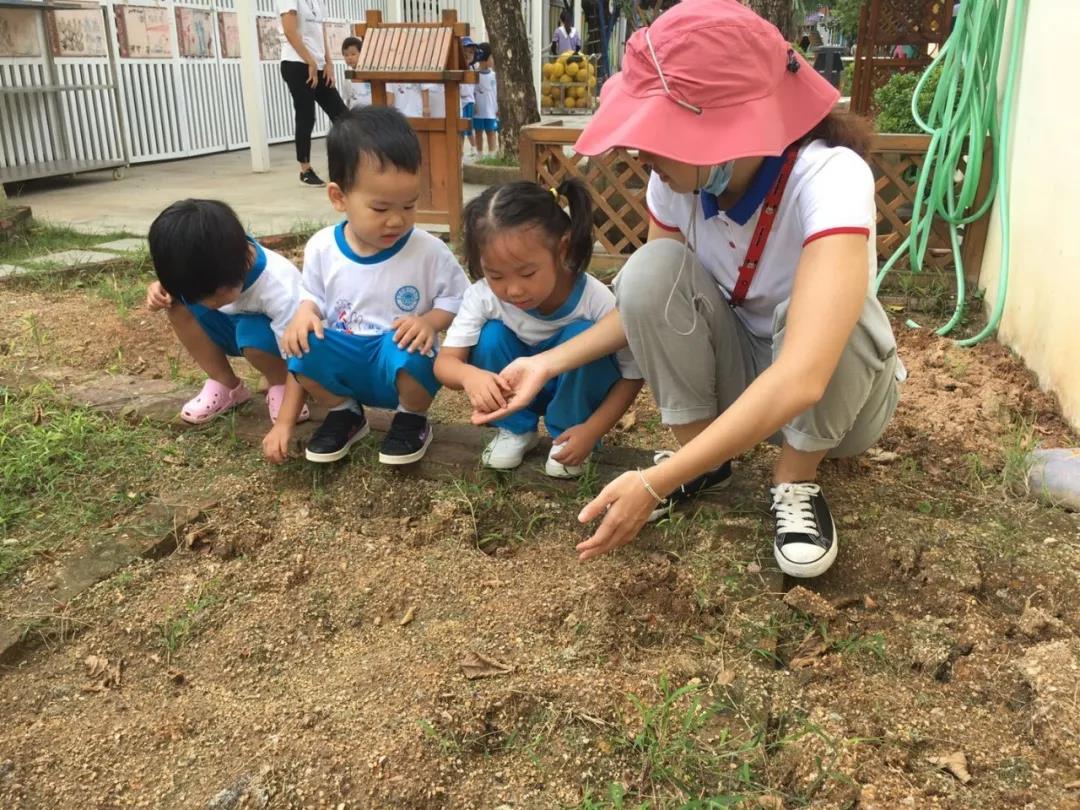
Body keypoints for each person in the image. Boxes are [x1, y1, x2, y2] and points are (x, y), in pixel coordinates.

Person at [474, 0, 902, 579]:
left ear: (727, 125)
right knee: (651, 269)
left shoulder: (830, 177)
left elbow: (804, 373)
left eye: (657, 132)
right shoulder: (675, 186)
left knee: (832, 311)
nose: (639, 152)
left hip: (837, 403)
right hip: (744, 372)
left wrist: (652, 482)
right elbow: (647, 305)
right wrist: (546, 364)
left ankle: (795, 480)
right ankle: (702, 459)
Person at [277, 107, 470, 466]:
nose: (397, 220)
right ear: (339, 198)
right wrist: (305, 313)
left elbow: (459, 297)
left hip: (395, 358)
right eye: (380, 208)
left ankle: (412, 419)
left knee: (415, 349)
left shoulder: (428, 250)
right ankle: (344, 412)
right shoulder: (323, 246)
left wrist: (429, 322)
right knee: (301, 347)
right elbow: (313, 295)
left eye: (409, 205)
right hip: (347, 355)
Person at [435, 180, 643, 477]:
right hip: (516, 389)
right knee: (491, 336)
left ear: (562, 249)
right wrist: (470, 377)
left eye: (527, 273)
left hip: (574, 391)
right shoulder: (483, 296)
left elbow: (632, 376)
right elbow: (445, 363)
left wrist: (592, 430)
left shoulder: (596, 301)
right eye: (495, 275)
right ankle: (515, 429)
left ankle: (568, 434)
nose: (514, 289)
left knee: (584, 334)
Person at [145, 199, 312, 435]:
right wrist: (162, 289)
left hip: (280, 344)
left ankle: (280, 383)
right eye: (197, 295)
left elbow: (301, 353)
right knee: (177, 303)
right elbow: (188, 285)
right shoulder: (208, 271)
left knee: (249, 333)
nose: (207, 304)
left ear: (241, 262)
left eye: (214, 295)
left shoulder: (278, 286)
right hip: (233, 330)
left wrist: (289, 411)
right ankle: (226, 384)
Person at [277, 0, 347, 187]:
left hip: (318, 64)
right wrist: (310, 62)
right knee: (306, 116)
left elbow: (320, 33)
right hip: (296, 63)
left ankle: (348, 164)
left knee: (342, 116)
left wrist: (328, 62)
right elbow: (290, 31)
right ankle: (305, 170)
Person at [472, 44, 498, 156]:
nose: (493, 60)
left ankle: (492, 154)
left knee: (491, 132)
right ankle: (479, 154)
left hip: (491, 110)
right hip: (478, 110)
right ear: (484, 58)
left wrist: (498, 107)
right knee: (478, 132)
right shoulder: (474, 75)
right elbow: (472, 91)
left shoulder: (494, 76)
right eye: (491, 57)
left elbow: (496, 93)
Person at [340, 36, 372, 110]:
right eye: (346, 55)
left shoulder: (371, 74)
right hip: (355, 116)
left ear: (362, 53)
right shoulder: (347, 78)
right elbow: (348, 101)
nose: (349, 58)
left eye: (353, 54)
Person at [460, 36, 478, 155]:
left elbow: (474, 89)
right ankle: (460, 151)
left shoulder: (472, 68)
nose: (468, 54)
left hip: (469, 101)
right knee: (460, 128)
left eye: (471, 52)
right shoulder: (457, 68)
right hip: (459, 101)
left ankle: (474, 147)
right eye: (465, 51)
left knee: (468, 127)